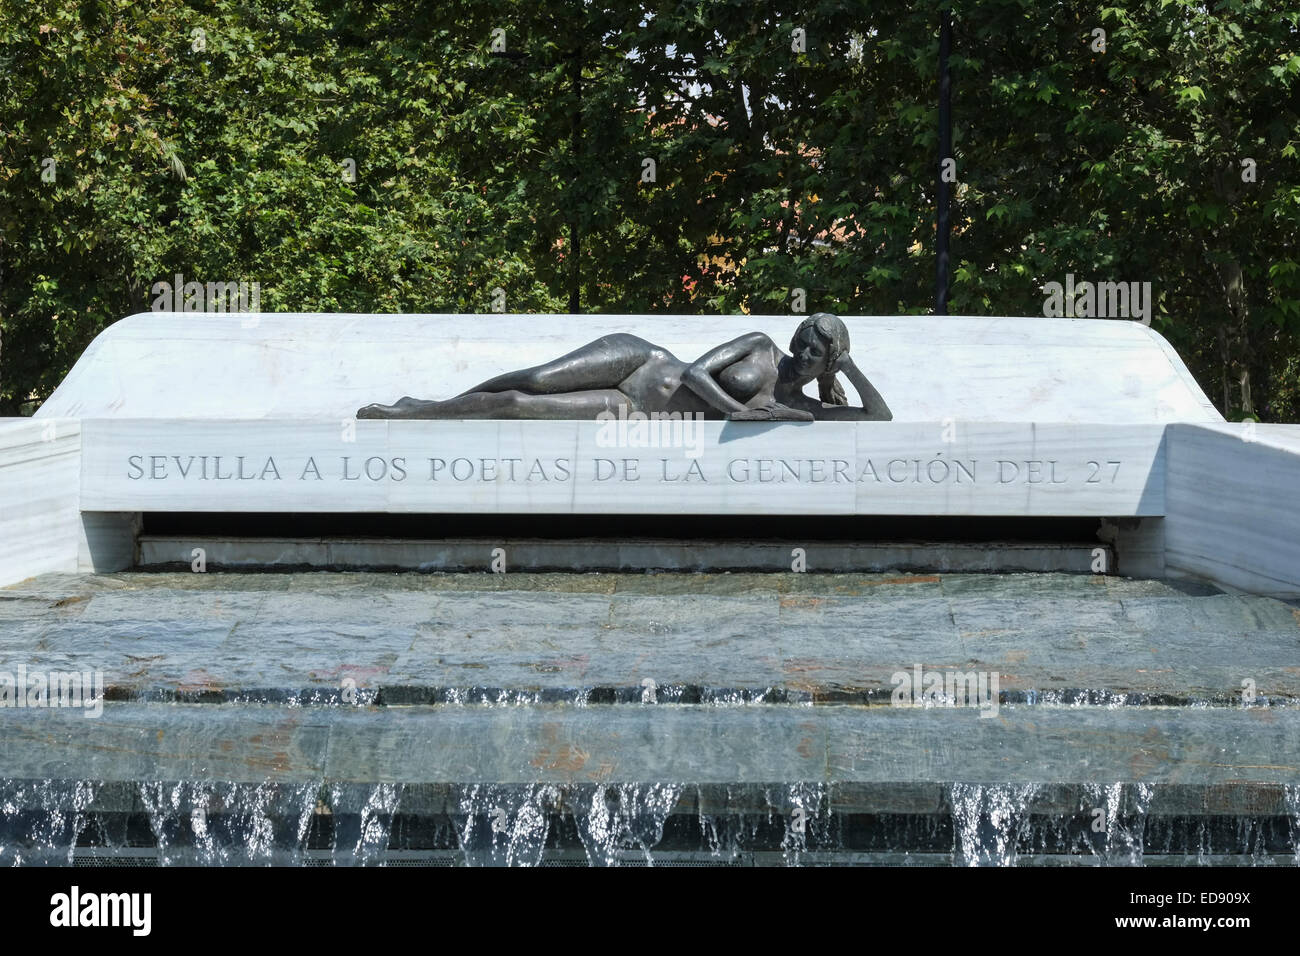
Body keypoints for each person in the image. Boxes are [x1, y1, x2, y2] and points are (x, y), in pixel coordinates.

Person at [356, 312, 891, 421]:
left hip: (635, 408)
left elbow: (877, 417)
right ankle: (425, 407)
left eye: (816, 353)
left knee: (520, 407)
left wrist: (849, 368)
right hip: (643, 360)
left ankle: (420, 410)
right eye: (802, 342)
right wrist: (739, 414)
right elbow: (694, 375)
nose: (801, 354)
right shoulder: (759, 345)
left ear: (829, 359)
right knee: (537, 379)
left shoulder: (801, 405)